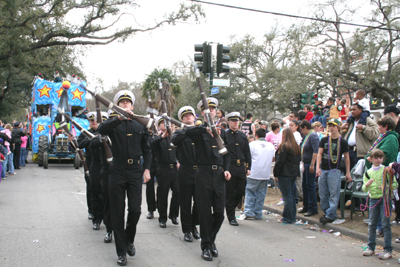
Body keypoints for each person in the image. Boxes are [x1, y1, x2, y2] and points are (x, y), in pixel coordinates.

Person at [97, 90, 151, 266]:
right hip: (117, 169)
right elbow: (100, 129)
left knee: (135, 210)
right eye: (122, 103)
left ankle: (129, 240)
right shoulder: (114, 124)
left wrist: (147, 169)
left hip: (135, 170)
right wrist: (118, 118)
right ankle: (121, 252)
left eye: (128, 102)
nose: (125, 104)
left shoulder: (140, 124)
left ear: (132, 106)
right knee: (117, 212)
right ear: (118, 106)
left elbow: (147, 149)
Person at [185, 97, 231, 262]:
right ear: (203, 114)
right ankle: (206, 247)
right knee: (204, 213)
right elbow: (188, 132)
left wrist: (227, 169)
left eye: (212, 109)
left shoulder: (222, 131)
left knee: (219, 213)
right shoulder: (199, 130)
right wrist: (205, 129)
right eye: (207, 110)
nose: (210, 111)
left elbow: (227, 154)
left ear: (215, 112)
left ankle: (210, 241)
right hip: (203, 174)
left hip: (218, 174)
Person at [362, 149, 398, 260]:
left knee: (385, 224)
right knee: (372, 224)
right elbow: (364, 189)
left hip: (384, 201)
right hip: (373, 199)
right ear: (371, 159)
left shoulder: (386, 170)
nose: (378, 160)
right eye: (376, 158)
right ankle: (371, 247)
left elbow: (395, 184)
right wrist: (367, 185)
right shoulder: (368, 172)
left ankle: (388, 249)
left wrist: (387, 187)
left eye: (380, 158)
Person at [172, 106, 200, 242]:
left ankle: (194, 224)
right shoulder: (179, 133)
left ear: (194, 117)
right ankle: (187, 230)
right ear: (181, 119)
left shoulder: (201, 131)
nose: (188, 117)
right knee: (185, 202)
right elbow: (174, 141)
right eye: (185, 116)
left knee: (199, 201)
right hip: (185, 170)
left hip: (200, 171)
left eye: (190, 115)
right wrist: (188, 130)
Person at [316, 118, 352, 224]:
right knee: (322, 193)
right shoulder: (324, 140)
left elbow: (346, 157)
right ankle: (326, 211)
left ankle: (331, 214)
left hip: (334, 170)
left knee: (333, 193)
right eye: (330, 126)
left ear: (338, 127)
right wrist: (318, 167)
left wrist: (348, 172)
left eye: (334, 126)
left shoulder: (343, 141)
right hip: (324, 169)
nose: (331, 128)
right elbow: (319, 154)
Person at [151, 116, 179, 228]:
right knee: (163, 194)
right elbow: (152, 145)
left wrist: (179, 161)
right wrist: (162, 136)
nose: (166, 125)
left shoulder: (175, 137)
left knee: (178, 192)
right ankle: (162, 218)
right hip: (163, 168)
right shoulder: (157, 138)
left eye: (168, 123)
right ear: (159, 126)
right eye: (163, 123)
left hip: (175, 169)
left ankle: (173, 215)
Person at [224, 112, 251, 226]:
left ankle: (230, 207)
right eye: (233, 121)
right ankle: (231, 217)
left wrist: (249, 167)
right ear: (229, 122)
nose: (236, 123)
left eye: (237, 121)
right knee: (229, 192)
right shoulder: (224, 135)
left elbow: (247, 152)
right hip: (230, 166)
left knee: (241, 191)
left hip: (240, 167)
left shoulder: (242, 135)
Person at [243, 128, 275, 219]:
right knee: (261, 194)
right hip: (265, 173)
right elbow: (273, 158)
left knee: (250, 192)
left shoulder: (252, 144)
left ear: (256, 135)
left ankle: (249, 211)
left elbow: (248, 157)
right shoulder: (270, 145)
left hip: (254, 171)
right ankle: (258, 212)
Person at [80, 112, 104, 230]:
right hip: (91, 162)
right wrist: (91, 139)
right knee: (92, 189)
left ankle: (105, 215)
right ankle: (94, 214)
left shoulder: (106, 132)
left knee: (105, 191)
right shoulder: (86, 133)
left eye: (96, 120)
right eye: (91, 120)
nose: (94, 122)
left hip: (105, 164)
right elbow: (79, 144)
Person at [273, 128, 301, 224]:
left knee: (287, 196)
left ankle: (287, 217)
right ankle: (292, 216)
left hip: (284, 173)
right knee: (291, 196)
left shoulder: (284, 146)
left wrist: (276, 173)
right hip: (293, 173)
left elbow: (280, 161)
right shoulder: (296, 146)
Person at [340, 103, 379, 170]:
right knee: (348, 172)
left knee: (358, 174)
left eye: (354, 109)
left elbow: (376, 134)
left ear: (360, 110)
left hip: (360, 153)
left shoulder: (367, 120)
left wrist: (364, 128)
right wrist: (342, 129)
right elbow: (343, 136)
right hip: (349, 151)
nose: (352, 111)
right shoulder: (351, 121)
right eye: (351, 110)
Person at [298, 120, 319, 216]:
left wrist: (312, 164)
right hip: (305, 163)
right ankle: (306, 206)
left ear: (306, 128)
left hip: (310, 163)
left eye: (301, 129)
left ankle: (312, 207)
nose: (301, 131)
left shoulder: (313, 135)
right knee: (305, 186)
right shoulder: (307, 136)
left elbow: (316, 151)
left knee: (310, 186)